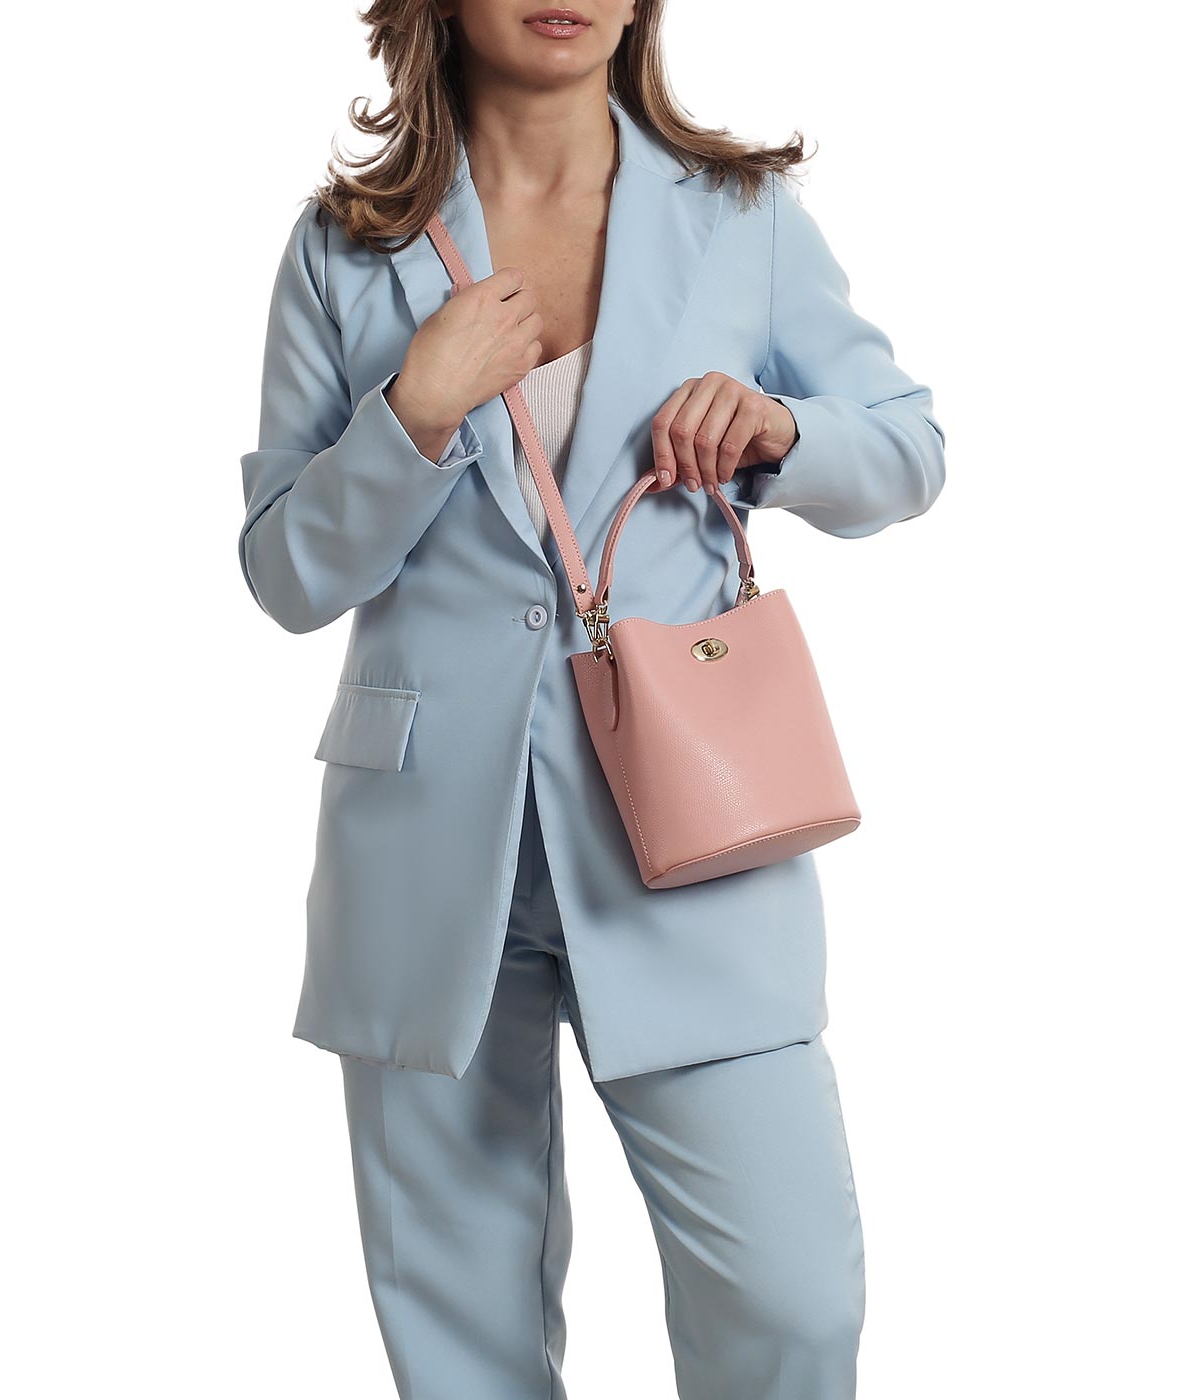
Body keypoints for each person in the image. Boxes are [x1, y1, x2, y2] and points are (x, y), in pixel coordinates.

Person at [237, 3, 945, 1395]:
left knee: (791, 1302)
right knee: (463, 1344)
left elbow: (909, 449)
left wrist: (782, 431)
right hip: (429, 853)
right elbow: (286, 572)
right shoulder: (345, 244)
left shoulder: (740, 216)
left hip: (695, 829)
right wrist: (413, 416)